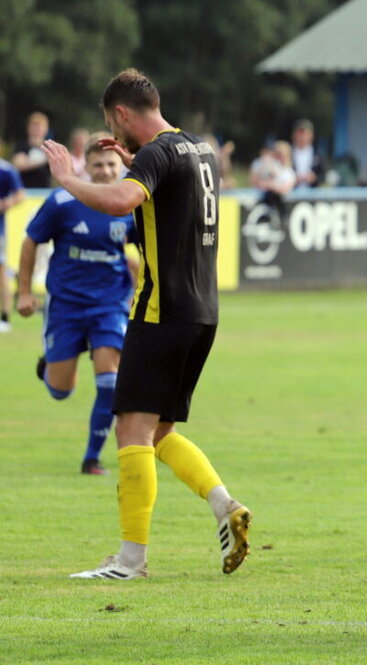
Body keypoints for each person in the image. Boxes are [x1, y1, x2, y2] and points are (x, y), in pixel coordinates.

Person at [40, 68, 251, 579]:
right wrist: (140, 162)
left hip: (161, 311)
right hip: (204, 313)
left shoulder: (156, 155)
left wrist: (70, 179)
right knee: (158, 432)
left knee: (131, 430)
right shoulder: (198, 149)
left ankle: (130, 560)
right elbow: (167, 191)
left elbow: (121, 200)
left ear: (120, 115)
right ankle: (224, 505)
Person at [16, 132, 137, 476]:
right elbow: (30, 241)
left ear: (120, 165)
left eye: (111, 164)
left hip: (109, 305)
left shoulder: (130, 204)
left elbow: (144, 252)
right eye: (98, 164)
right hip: (66, 306)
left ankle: (91, 458)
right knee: (60, 391)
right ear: (86, 165)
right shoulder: (62, 202)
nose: (104, 171)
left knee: (109, 382)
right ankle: (51, 369)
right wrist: (24, 292)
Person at [0, 156, 26, 333]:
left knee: (1, 271)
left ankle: (5, 316)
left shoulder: (6, 169)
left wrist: (5, 203)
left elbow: (20, 195)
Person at [13, 111, 52, 189]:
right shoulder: (21, 146)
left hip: (44, 191)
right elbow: (19, 165)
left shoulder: (50, 147)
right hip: (25, 191)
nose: (37, 129)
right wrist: (45, 159)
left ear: (46, 129)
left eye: (40, 126)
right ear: (28, 128)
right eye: (34, 126)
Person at [290, 119, 325, 189]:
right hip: (289, 193)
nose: (302, 137)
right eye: (300, 133)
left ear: (311, 135)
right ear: (294, 134)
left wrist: (314, 177)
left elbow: (324, 175)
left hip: (312, 195)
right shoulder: (287, 152)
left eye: (305, 133)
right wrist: (291, 178)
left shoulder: (318, 153)